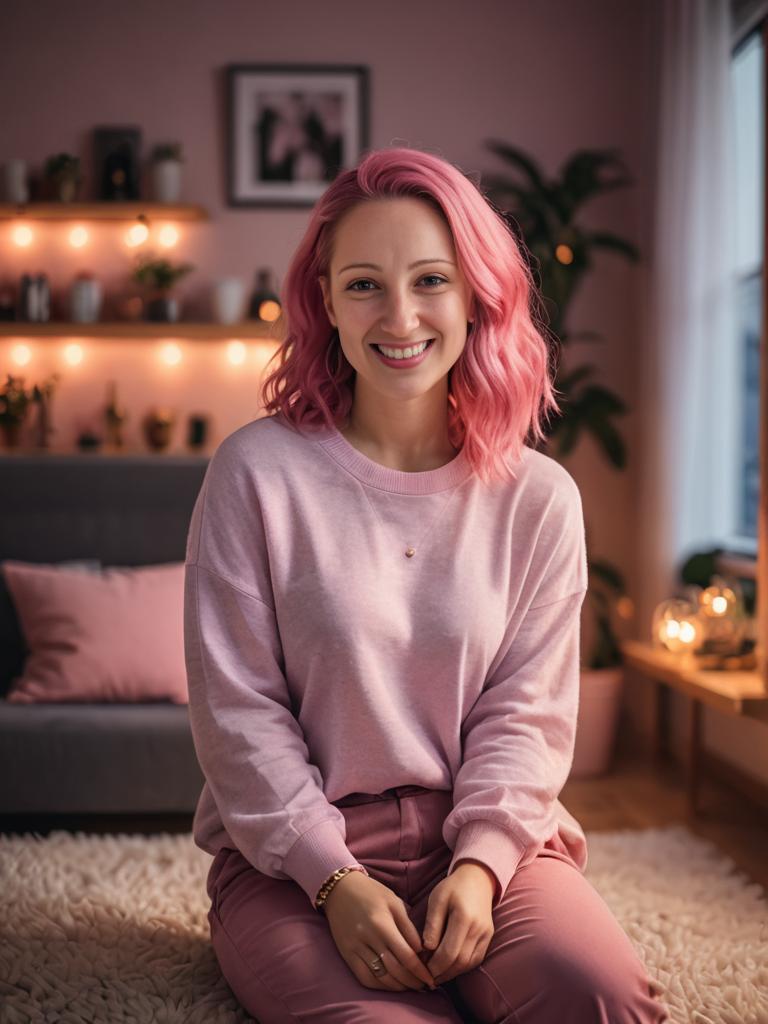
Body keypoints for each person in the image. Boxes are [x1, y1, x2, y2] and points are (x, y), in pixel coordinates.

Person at [183, 146, 670, 1023]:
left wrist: (482, 868)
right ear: (324, 301)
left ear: (477, 294)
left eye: (431, 279)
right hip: (294, 860)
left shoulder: (539, 499)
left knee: (603, 997)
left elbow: (527, 714)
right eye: (364, 283)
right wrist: (334, 881)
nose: (399, 314)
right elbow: (237, 713)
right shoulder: (256, 473)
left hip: (483, 835)